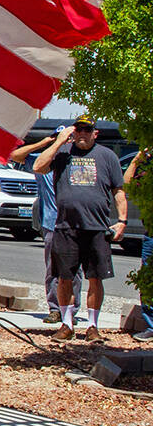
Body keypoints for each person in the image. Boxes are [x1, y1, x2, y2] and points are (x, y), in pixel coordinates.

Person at [33, 115, 126, 343]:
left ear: (95, 133)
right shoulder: (63, 154)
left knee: (95, 278)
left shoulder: (107, 156)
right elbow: (38, 166)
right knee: (64, 278)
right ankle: (66, 324)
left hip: (96, 227)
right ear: (73, 132)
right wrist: (58, 142)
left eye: (87, 130)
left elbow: (118, 191)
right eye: (79, 130)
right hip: (65, 226)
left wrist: (122, 220)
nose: (82, 134)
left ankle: (93, 327)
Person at [11, 134, 81, 324]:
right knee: (53, 269)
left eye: (67, 139)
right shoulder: (41, 161)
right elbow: (15, 155)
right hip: (51, 222)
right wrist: (45, 143)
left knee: (75, 270)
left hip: (74, 223)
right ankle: (55, 309)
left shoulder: (74, 160)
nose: (63, 142)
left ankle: (71, 310)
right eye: (59, 138)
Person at [123, 147, 153, 341]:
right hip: (151, 232)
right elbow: (126, 183)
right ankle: (151, 325)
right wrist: (138, 157)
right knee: (148, 279)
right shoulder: (147, 170)